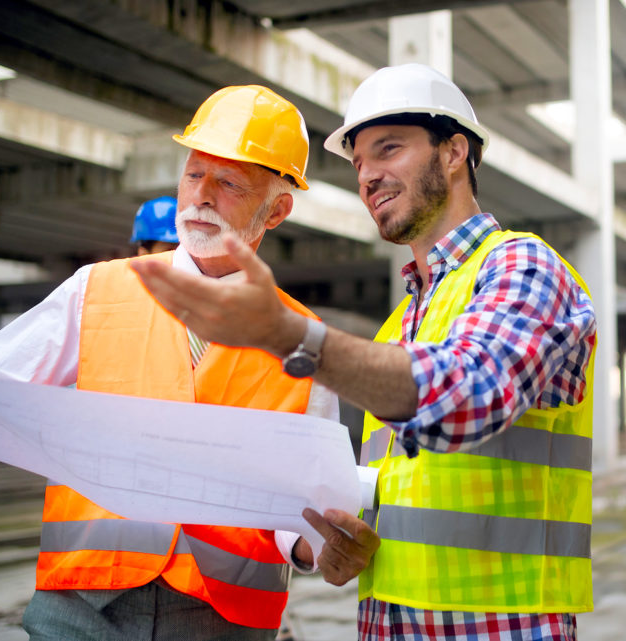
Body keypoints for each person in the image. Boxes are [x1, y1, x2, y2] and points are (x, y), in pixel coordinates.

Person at [0, 85, 379, 640]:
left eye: (228, 183)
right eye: (193, 173)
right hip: (80, 609)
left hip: (221, 621)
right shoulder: (97, 290)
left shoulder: (304, 339)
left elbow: (306, 505)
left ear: (276, 209)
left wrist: (321, 547)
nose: (200, 195)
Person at [131, 63, 597, 641]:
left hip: (498, 625)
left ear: (454, 153)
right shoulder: (397, 329)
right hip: (391, 622)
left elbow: (468, 396)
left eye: (389, 149)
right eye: (358, 163)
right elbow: (392, 492)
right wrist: (330, 545)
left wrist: (292, 337)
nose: (368, 176)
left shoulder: (523, 266)